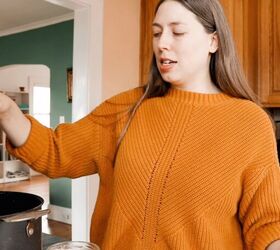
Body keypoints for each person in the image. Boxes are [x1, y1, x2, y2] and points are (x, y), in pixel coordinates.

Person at [1, 0, 280, 249]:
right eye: (157, 32)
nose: (162, 43)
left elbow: (267, 223)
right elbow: (55, 151)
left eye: (177, 32)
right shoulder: (126, 108)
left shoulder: (249, 122)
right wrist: (6, 110)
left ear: (214, 41)